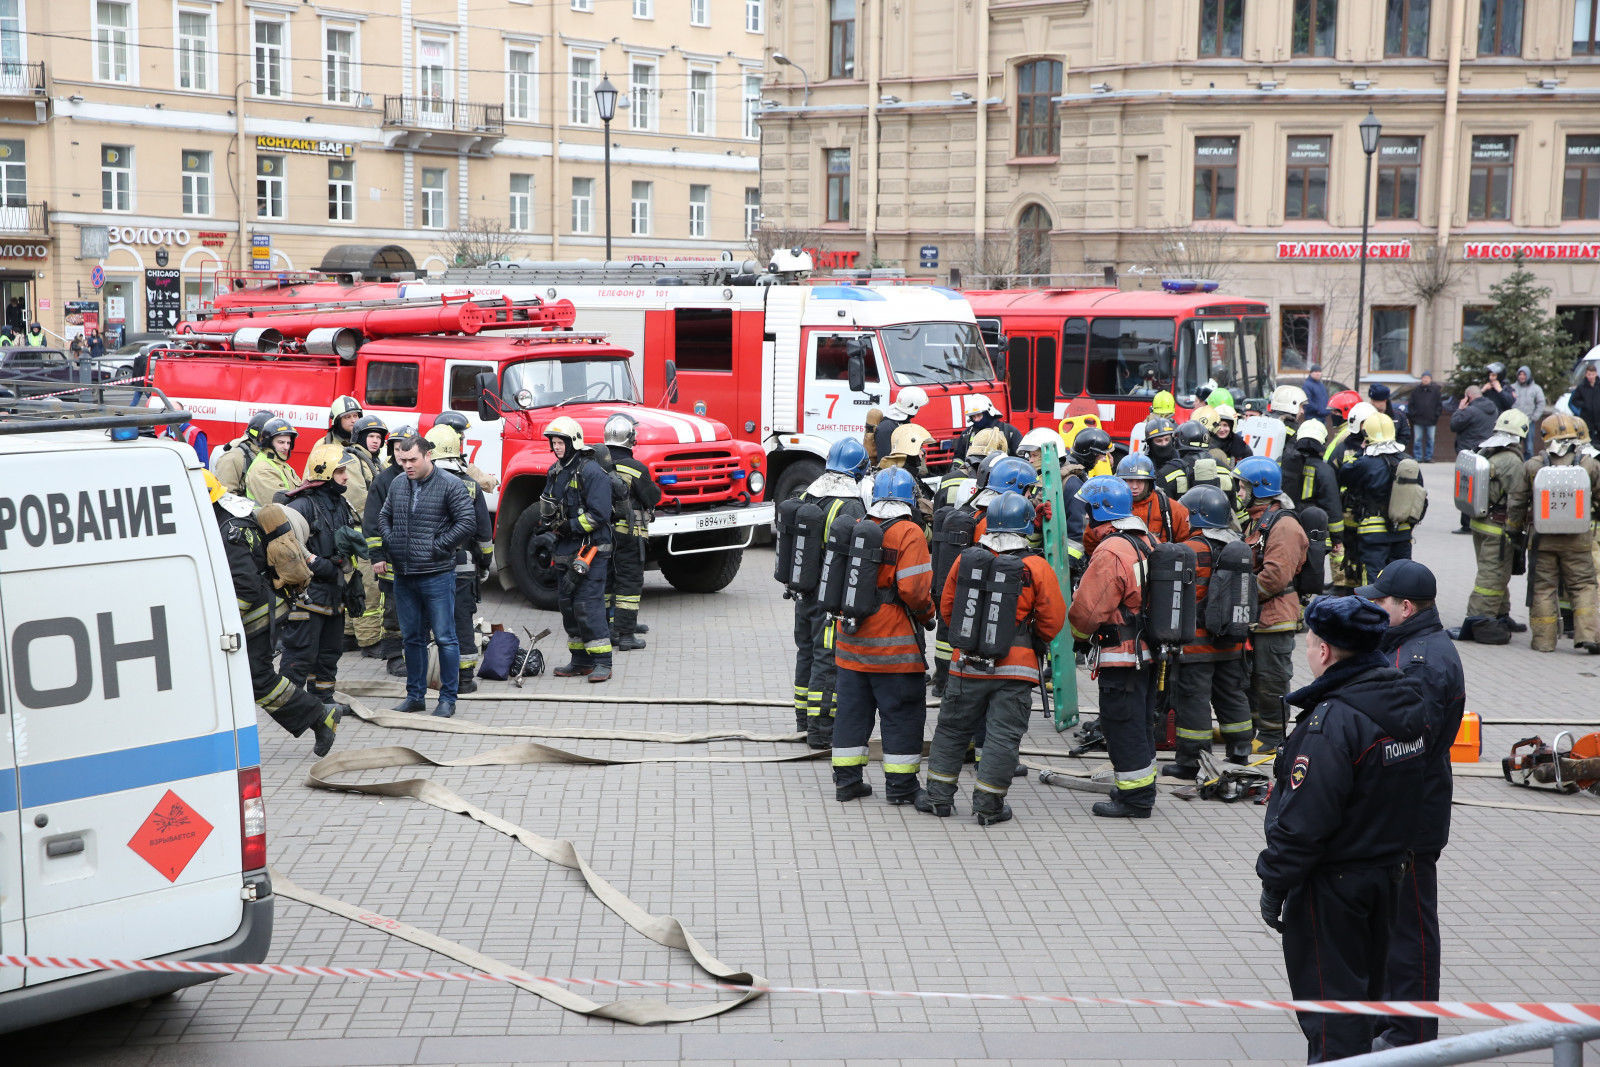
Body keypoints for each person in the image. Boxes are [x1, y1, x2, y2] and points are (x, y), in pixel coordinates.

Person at [1257, 595, 1427, 1064]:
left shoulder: (1334, 722)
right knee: (1363, 1003)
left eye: (1309, 644)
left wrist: (1275, 882)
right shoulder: (1404, 703)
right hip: (1386, 876)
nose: (1307, 653)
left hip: (1333, 889)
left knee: (1333, 1020)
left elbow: (1304, 822)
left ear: (1326, 651)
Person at [1358, 562, 1465, 1052]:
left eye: (1380, 603)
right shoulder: (1408, 646)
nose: (1372, 608)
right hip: (1404, 810)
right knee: (1392, 924)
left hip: (1409, 814)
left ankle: (1414, 1033)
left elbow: (1405, 745)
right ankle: (1392, 1022)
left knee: (1410, 932)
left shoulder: (1419, 663)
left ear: (1405, 607)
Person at [920, 491, 1064, 823]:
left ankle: (939, 799)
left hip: (966, 663)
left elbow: (947, 608)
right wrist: (1032, 641)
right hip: (1017, 667)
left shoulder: (966, 559)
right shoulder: (1036, 567)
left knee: (953, 730)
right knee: (1002, 736)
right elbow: (1053, 621)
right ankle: (988, 808)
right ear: (1026, 525)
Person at [207, 471, 341, 757]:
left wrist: (223, 624)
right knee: (246, 678)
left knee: (260, 679)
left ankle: (320, 717)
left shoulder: (229, 530)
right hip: (265, 607)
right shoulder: (232, 517)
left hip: (258, 613)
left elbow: (244, 586)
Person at [830, 468, 935, 804]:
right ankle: (901, 789)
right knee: (901, 715)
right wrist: (927, 616)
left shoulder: (861, 527)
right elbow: (915, 591)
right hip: (894, 649)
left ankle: (847, 782)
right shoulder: (910, 533)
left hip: (850, 642)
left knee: (851, 713)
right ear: (909, 499)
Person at [1069, 476, 1158, 818]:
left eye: (1089, 509)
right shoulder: (1145, 540)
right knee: (1140, 721)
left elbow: (1088, 610)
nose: (1086, 516)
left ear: (1099, 510)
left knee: (1122, 724)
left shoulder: (1111, 550)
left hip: (1122, 656)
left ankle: (1134, 800)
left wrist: (1077, 637)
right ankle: (1140, 787)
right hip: (1147, 652)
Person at [379, 433, 477, 717]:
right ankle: (415, 696)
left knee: (446, 638)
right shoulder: (398, 483)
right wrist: (392, 541)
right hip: (405, 575)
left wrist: (438, 547)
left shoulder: (450, 485)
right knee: (412, 639)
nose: (407, 465)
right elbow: (384, 517)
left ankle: (447, 699)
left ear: (427, 456)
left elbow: (467, 522)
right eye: (403, 460)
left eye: (412, 460)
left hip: (436, 574)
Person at [1163, 485, 1254, 778]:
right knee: (1232, 695)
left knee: (1194, 701)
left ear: (1196, 517)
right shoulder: (1238, 548)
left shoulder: (1190, 550)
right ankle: (1240, 753)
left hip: (1196, 647)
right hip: (1232, 642)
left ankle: (1192, 762)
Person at [790, 438, 870, 745]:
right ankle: (821, 730)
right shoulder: (849, 503)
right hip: (830, 598)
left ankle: (802, 719)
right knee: (827, 657)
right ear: (856, 468)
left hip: (804, 591)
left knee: (806, 652)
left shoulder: (812, 494)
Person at [278, 443, 362, 706]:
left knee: (329, 653)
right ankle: (289, 706)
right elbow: (287, 550)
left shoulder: (340, 504)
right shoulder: (301, 506)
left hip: (334, 594)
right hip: (306, 596)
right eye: (340, 471)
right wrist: (319, 565)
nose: (345, 476)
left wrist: (351, 574)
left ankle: (322, 701)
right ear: (324, 473)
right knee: (301, 654)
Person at [535, 416, 616, 682]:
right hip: (564, 549)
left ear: (574, 443)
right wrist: (545, 523)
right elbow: (550, 502)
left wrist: (571, 526)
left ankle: (603, 661)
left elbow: (600, 514)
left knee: (587, 604)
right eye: (554, 442)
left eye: (561, 442)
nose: (557, 447)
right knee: (568, 604)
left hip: (591, 550)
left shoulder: (592, 472)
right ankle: (580, 661)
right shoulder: (555, 471)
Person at [1238, 456, 1308, 753]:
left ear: (1260, 489)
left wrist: (1239, 594)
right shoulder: (1257, 519)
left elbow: (1275, 578)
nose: (1239, 493)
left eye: (1243, 487)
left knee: (1271, 680)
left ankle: (1272, 736)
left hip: (1275, 617)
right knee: (1254, 679)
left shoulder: (1284, 526)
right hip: (1259, 616)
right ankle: (1258, 732)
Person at [1522, 413, 1600, 653]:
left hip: (1542, 540)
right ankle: (1588, 636)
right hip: (1578, 539)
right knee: (1584, 585)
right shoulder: (1589, 464)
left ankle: (1543, 642)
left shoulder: (1534, 465)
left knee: (1543, 588)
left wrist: (1515, 531)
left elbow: (1517, 502)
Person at [427, 424, 494, 694]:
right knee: (461, 620)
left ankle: (428, 674)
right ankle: (464, 679)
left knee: (428, 620)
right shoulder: (470, 486)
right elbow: (483, 533)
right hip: (463, 565)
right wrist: (485, 565)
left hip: (427, 565)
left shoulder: (419, 483)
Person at [1461, 410, 1530, 640]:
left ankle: (1501, 614)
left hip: (1480, 524)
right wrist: (1517, 528)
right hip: (1498, 528)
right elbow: (1518, 499)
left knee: (1498, 572)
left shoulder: (1487, 450)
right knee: (1491, 576)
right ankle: (1479, 621)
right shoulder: (1511, 459)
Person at [604, 413, 662, 652]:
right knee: (629, 584)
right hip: (629, 535)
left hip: (603, 535)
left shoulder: (599, 464)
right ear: (630, 439)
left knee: (607, 582)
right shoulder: (636, 468)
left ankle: (610, 628)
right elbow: (652, 496)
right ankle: (626, 635)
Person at [365, 426, 414, 672]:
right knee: (393, 610)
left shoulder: (421, 478)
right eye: (397, 450)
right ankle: (394, 657)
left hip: (417, 561)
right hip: (391, 561)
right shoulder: (384, 481)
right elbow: (372, 522)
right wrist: (377, 556)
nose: (402, 456)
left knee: (417, 608)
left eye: (407, 450)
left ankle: (415, 653)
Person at [1342, 412, 1413, 582]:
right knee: (1400, 578)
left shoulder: (1364, 463)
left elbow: (1344, 474)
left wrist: (1362, 451)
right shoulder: (1408, 461)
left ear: (1366, 436)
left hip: (1373, 533)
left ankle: (1374, 609)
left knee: (1375, 580)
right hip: (1402, 530)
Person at [340, 414, 389, 656]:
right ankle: (369, 642)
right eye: (371, 436)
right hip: (360, 533)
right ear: (360, 437)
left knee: (354, 585)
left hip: (360, 532)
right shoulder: (352, 461)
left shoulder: (372, 461)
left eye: (379, 437)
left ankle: (349, 635)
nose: (375, 441)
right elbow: (360, 500)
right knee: (369, 587)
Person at [1083, 453, 1190, 555]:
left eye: (1140, 481)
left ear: (1149, 482)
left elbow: (1187, 544)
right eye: (1129, 481)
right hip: (1122, 568)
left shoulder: (1171, 508)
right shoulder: (1107, 506)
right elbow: (1091, 542)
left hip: (1159, 569)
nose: (1134, 486)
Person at [1450, 386, 1498, 535]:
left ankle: (1466, 525)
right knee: (1482, 487)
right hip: (1486, 451)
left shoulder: (1469, 411)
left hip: (1470, 453)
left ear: (1468, 397)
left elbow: (1454, 425)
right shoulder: (1493, 408)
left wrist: (1460, 409)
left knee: (1467, 488)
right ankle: (1480, 519)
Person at [212, 410, 274, 495]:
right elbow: (225, 497)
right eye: (268, 436)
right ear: (257, 435)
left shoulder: (270, 455)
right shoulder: (233, 458)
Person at [245, 417, 302, 504]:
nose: (286, 447)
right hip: (266, 517)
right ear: (268, 442)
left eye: (288, 443)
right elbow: (278, 504)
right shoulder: (262, 469)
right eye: (281, 442)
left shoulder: (283, 465)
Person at [953, 395, 1022, 460]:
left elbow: (1021, 458)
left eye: (979, 415)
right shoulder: (967, 434)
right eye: (973, 416)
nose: (976, 419)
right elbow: (959, 458)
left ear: (989, 413)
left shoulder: (1009, 432)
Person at [873, 385, 929, 461]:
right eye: (918, 407)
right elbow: (885, 461)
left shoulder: (902, 423)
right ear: (912, 407)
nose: (918, 410)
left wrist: (918, 451)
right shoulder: (886, 428)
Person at [1512, 366, 1547, 460]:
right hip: (1515, 423)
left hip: (1529, 422)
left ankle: (1528, 467)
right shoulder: (1512, 388)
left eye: (1524, 374)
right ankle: (1516, 464)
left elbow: (1541, 402)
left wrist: (1535, 417)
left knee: (1529, 447)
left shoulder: (1535, 388)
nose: (1522, 376)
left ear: (1528, 375)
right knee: (1514, 446)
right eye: (1520, 374)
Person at [1407, 371, 1442, 462]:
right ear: (1421, 379)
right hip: (1418, 420)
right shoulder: (1416, 391)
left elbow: (1439, 405)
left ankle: (1428, 457)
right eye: (1424, 377)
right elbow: (1411, 405)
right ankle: (1418, 457)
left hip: (1431, 420)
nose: (1425, 379)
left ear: (1430, 379)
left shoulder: (1435, 391)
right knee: (1417, 439)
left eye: (1427, 378)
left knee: (1430, 440)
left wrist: (1435, 416)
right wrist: (1413, 416)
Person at [1366, 384, 1411, 451]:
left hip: (1394, 453)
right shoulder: (1367, 415)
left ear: (1384, 401)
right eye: (1371, 400)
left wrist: (1393, 449)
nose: (1372, 403)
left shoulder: (1399, 416)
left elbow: (1404, 436)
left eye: (1375, 401)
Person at [1570, 361, 1600, 443]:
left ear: (1596, 374)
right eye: (1589, 374)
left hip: (1598, 419)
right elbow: (1574, 401)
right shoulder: (1581, 387)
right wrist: (1584, 405)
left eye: (1592, 374)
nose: (1591, 377)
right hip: (1587, 420)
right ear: (1586, 375)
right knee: (1588, 442)